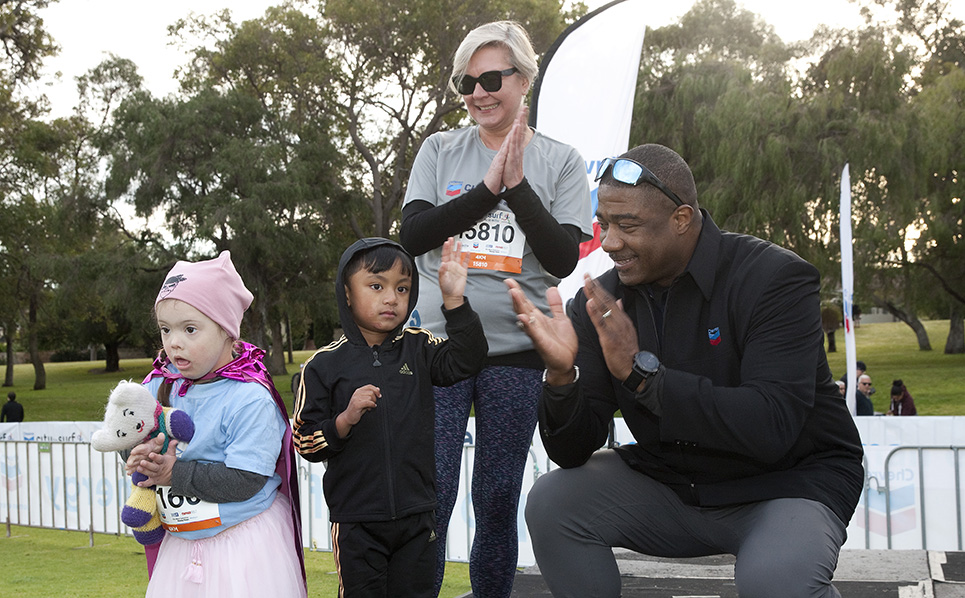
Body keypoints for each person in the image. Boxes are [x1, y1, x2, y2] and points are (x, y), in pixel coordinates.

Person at [506, 143, 864, 598]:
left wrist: (641, 378)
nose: (609, 242)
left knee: (775, 583)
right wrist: (561, 378)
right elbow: (571, 449)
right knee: (554, 502)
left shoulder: (774, 279)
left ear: (680, 219)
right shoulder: (601, 302)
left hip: (785, 482)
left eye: (627, 226)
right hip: (674, 481)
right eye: (604, 225)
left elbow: (771, 425)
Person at [398, 20, 593, 597]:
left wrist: (517, 188)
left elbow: (561, 257)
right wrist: (486, 190)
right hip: (438, 345)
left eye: (491, 78)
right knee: (430, 491)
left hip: (514, 351)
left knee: (497, 494)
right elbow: (413, 234)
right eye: (465, 81)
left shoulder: (560, 160)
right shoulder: (439, 149)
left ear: (524, 79)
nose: (478, 92)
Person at [293, 238, 487, 597]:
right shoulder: (322, 366)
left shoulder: (419, 346)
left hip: (418, 515)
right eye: (376, 285)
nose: (391, 298)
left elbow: (468, 359)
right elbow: (304, 441)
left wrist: (455, 302)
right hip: (357, 521)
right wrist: (345, 420)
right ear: (347, 293)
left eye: (402, 288)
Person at [126, 250, 306, 597]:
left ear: (227, 331)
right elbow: (134, 437)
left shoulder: (249, 399)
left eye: (190, 329)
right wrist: (137, 456)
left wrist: (172, 474)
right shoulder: (159, 385)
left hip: (245, 546)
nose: (174, 341)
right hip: (181, 547)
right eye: (166, 329)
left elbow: (247, 479)